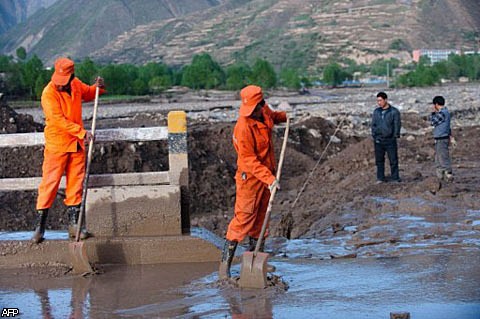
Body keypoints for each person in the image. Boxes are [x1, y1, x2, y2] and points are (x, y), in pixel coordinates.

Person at [32, 57, 105, 244]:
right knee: (50, 184)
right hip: (58, 145)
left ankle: (75, 227)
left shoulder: (76, 85)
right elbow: (58, 120)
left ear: (71, 77)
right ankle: (39, 227)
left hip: (76, 146)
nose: (61, 85)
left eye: (64, 82)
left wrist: (97, 87)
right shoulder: (48, 94)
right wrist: (81, 132)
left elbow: (89, 93)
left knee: (75, 185)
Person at [219, 85, 287, 279]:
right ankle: (224, 268)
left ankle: (256, 262)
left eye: (254, 108)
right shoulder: (243, 127)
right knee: (243, 220)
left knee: (261, 220)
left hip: (266, 176)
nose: (251, 112)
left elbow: (273, 117)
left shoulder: (263, 111)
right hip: (249, 179)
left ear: (260, 104)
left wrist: (285, 117)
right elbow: (248, 160)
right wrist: (270, 179)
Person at [371, 92, 402, 183]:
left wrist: (395, 135)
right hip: (379, 139)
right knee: (379, 160)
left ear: (385, 100)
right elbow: (373, 124)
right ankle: (380, 178)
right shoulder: (376, 112)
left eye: (380, 100)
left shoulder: (394, 112)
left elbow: (397, 124)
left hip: (390, 140)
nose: (379, 103)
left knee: (393, 159)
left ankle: (395, 178)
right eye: (377, 101)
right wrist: (375, 135)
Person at [430, 95, 454, 182]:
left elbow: (433, 122)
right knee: (439, 157)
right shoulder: (446, 112)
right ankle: (441, 177)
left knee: (443, 157)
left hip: (441, 138)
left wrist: (433, 113)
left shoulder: (442, 113)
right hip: (442, 137)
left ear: (436, 104)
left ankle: (448, 175)